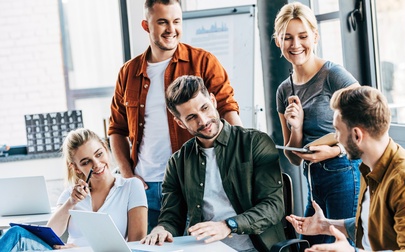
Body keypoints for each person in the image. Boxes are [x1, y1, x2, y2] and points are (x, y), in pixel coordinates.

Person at [108, 0, 242, 233]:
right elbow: (116, 130)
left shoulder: (203, 62)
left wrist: (242, 160)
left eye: (176, 21)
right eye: (162, 22)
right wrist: (129, 176)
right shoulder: (128, 72)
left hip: (192, 182)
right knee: (148, 249)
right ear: (146, 25)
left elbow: (228, 110)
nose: (171, 29)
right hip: (144, 186)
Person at [286, 86, 405, 252]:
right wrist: (326, 225)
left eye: (337, 130)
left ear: (356, 135)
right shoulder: (370, 168)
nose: (336, 138)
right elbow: (371, 225)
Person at [140, 75, 285, 252]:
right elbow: (172, 218)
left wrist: (228, 225)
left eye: (205, 108)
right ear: (180, 123)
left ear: (213, 101)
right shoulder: (178, 163)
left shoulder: (255, 143)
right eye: (192, 117)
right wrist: (160, 229)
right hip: (203, 249)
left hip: (255, 248)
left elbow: (274, 206)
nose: (203, 121)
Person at [273, 2, 361, 245]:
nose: (296, 44)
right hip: (313, 179)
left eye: (302, 36)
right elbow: (292, 157)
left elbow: (368, 119)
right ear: (278, 41)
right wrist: (297, 127)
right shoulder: (283, 90)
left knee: (342, 246)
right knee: (313, 247)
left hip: (343, 172)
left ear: (315, 36)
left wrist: (337, 149)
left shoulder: (333, 75)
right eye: (287, 37)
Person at [0, 128, 148, 251]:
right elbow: (51, 235)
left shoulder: (132, 187)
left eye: (99, 154)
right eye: (86, 162)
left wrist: (79, 249)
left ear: (105, 147)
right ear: (76, 168)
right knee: (15, 233)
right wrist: (71, 202)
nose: (96, 164)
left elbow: (134, 245)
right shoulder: (72, 194)